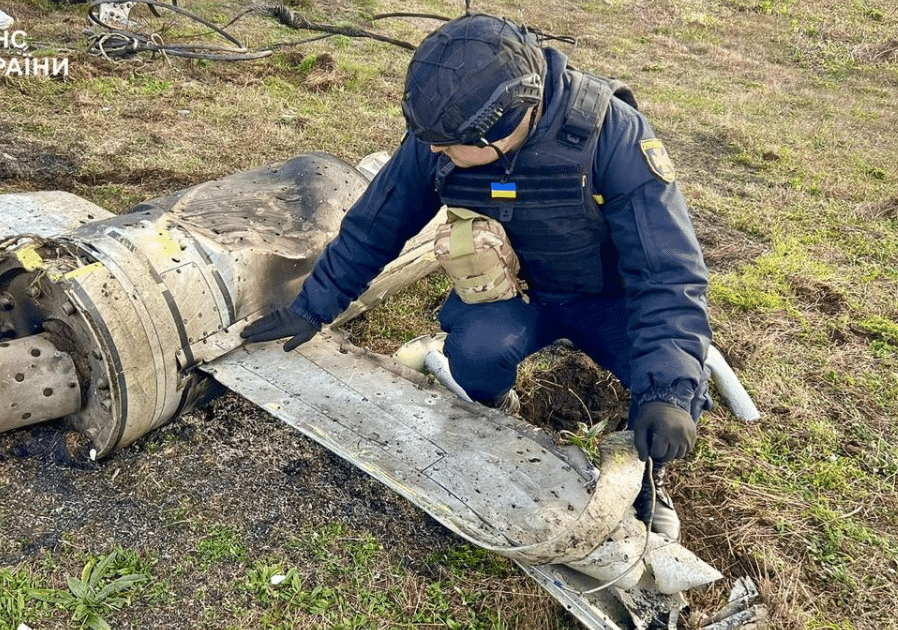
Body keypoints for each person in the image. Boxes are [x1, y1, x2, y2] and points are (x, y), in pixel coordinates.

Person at [240, 13, 712, 540]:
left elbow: (667, 273)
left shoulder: (612, 135)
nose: (435, 153)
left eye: (449, 147)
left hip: (607, 297)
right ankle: (491, 414)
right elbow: (378, 221)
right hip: (514, 292)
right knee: (478, 352)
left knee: (675, 394)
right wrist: (312, 306)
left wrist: (667, 392)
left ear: (507, 122)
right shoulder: (442, 130)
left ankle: (647, 478)